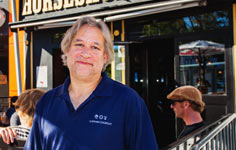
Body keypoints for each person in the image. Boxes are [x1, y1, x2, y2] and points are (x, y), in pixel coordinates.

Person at [25, 16, 158, 150]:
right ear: (67, 50)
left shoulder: (129, 101)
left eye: (95, 47)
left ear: (104, 56)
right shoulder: (47, 102)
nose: (86, 53)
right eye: (79, 44)